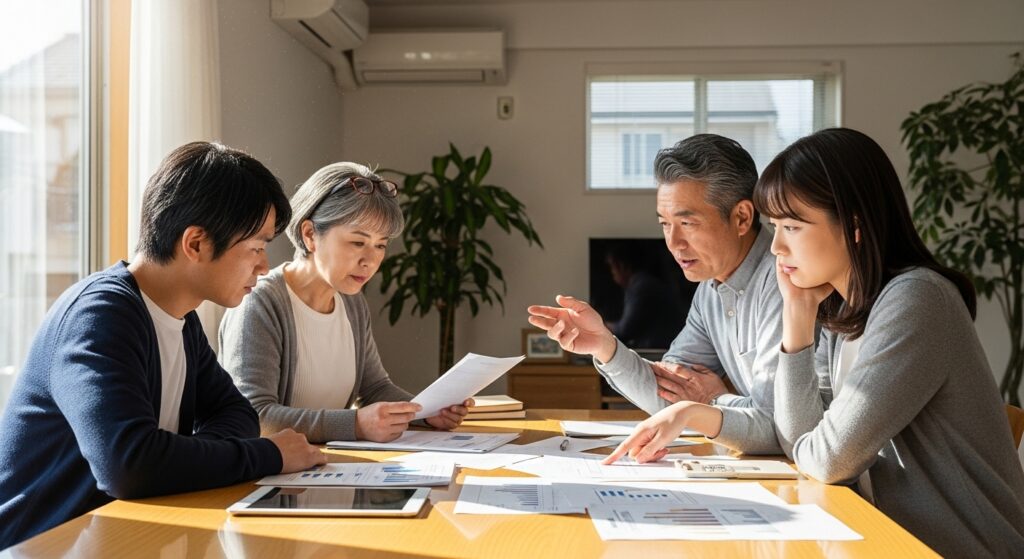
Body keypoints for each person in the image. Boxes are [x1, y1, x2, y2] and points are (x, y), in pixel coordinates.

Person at [605, 128, 1024, 556]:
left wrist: (723, 401)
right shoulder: (842, 308)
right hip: (879, 537)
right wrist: (798, 318)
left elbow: (826, 459)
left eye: (793, 226)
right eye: (775, 227)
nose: (778, 246)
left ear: (855, 226)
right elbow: (798, 439)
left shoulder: (916, 299)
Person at [0, 142, 326, 549]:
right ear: (196, 244)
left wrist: (179, 456)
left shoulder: (179, 318)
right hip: (44, 545)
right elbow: (129, 466)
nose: (263, 266)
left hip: (121, 537)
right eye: (256, 248)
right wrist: (269, 455)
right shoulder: (101, 315)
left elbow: (235, 412)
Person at [528, 134, 785, 453]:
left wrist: (711, 400)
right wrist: (605, 346)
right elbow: (670, 393)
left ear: (742, 218)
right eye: (665, 224)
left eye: (687, 223)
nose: (674, 243)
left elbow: (782, 428)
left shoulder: (784, 280)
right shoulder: (710, 287)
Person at [219, 162, 470, 444]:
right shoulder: (260, 303)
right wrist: (355, 424)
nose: (371, 261)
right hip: (280, 481)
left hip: (333, 472)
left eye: (380, 245)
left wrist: (425, 412)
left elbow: (374, 387)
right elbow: (256, 417)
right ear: (310, 235)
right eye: (357, 242)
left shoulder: (351, 302)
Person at [603, 242, 684, 349]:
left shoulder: (642, 286)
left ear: (622, 265)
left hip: (662, 350)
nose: (612, 273)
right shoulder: (640, 284)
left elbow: (625, 330)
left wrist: (601, 325)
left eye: (612, 267)